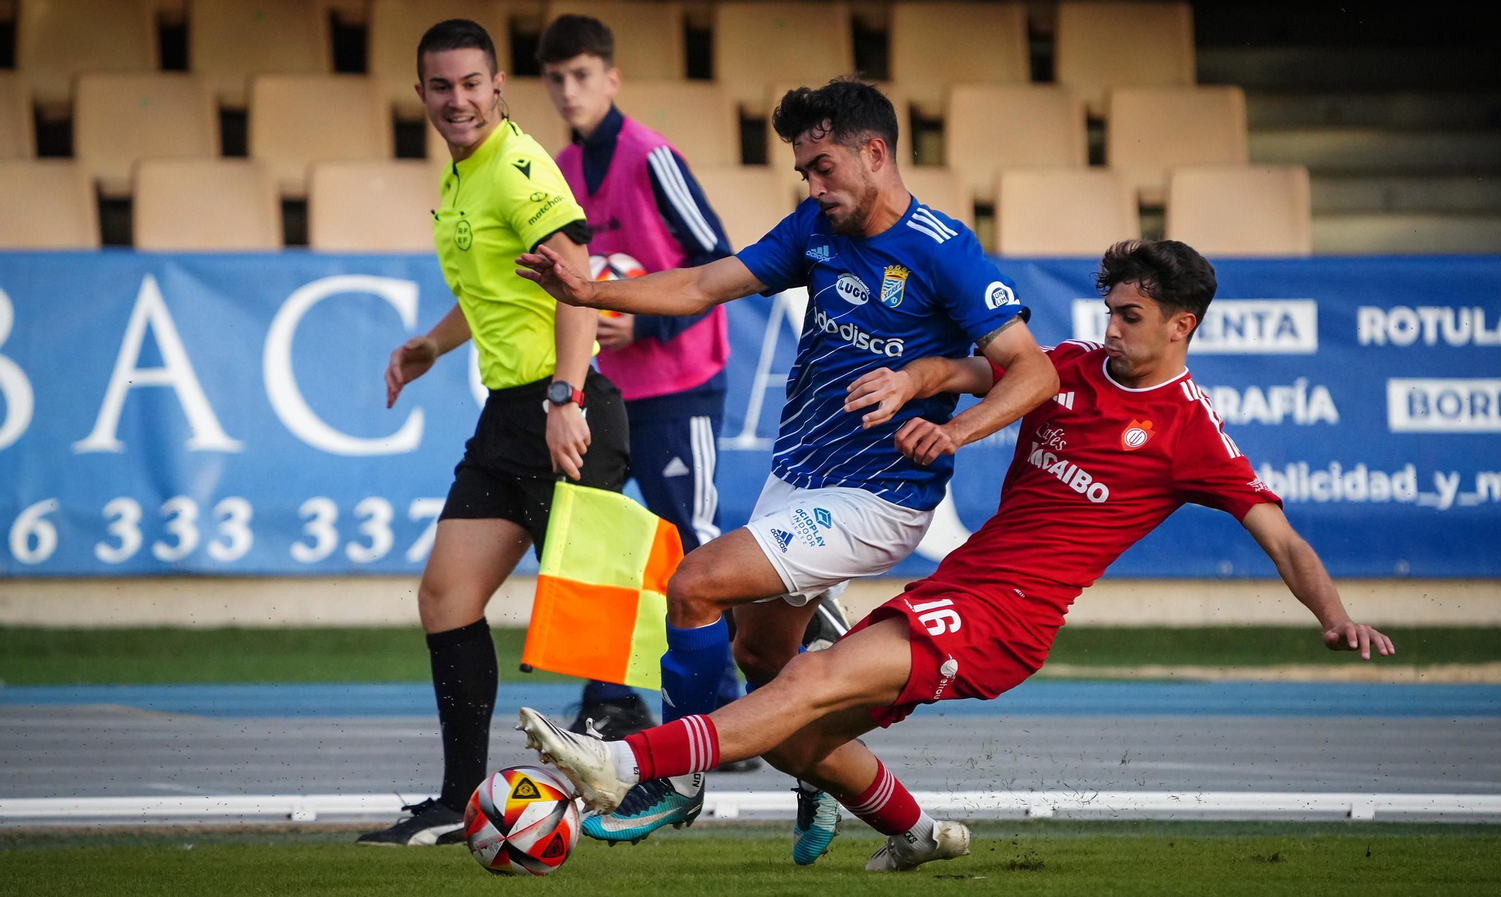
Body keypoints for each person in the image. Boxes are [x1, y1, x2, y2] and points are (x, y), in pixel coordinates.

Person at [514, 239, 1397, 871]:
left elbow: (1279, 532)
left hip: (1008, 616)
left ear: (1181, 325)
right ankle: (923, 831)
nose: (1113, 328)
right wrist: (919, 380)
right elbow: (978, 371)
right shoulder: (1072, 367)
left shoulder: (1191, 433)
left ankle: (625, 765)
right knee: (798, 737)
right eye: (1109, 311)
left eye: (1131, 316)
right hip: (962, 587)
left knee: (797, 687)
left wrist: (1334, 614)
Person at [515, 78, 1059, 856]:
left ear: (875, 153)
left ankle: (673, 778)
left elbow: (1033, 371)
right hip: (799, 480)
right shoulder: (814, 227)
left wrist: (954, 426)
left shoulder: (944, 251)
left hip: (878, 497)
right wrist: (590, 288)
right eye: (804, 169)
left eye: (824, 165)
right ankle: (912, 827)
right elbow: (707, 283)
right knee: (765, 668)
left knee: (694, 583)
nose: (812, 183)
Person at [356, 19, 631, 847]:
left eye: (471, 83)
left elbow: (575, 285)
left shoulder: (516, 169)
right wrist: (432, 345)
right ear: (422, 96)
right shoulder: (461, 177)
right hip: (508, 416)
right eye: (441, 87)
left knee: (601, 623)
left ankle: (672, 768)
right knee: (446, 596)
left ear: (497, 82)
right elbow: (493, 288)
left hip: (563, 411)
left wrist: (565, 396)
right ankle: (455, 799)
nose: (457, 100)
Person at [534, 14, 762, 752]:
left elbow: (717, 258)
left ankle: (722, 711)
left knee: (693, 548)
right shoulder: (561, 170)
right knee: (597, 542)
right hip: (607, 393)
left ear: (610, 77)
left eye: (581, 75)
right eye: (556, 78)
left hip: (680, 384)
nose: (568, 90)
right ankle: (612, 704)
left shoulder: (652, 157)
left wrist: (648, 326)